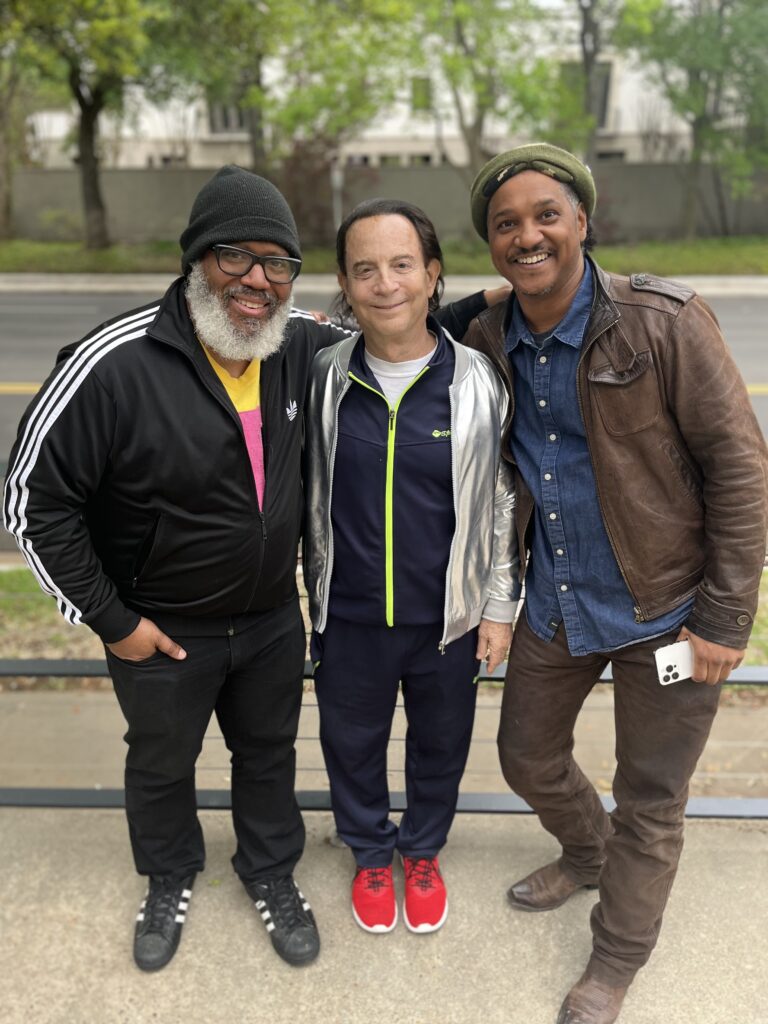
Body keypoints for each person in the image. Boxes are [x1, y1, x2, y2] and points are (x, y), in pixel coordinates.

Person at [2, 166, 500, 973]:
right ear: (195, 258)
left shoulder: (295, 342)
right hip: (161, 627)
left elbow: (396, 323)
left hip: (270, 619)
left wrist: (500, 302)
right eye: (235, 256)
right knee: (161, 763)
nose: (256, 281)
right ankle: (169, 875)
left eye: (277, 264)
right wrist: (112, 622)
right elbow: (33, 502)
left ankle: (270, 872)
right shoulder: (114, 362)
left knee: (268, 756)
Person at [464, 143, 768, 1023]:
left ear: (582, 222)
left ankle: (615, 959)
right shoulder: (489, 338)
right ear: (490, 243)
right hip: (556, 604)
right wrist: (486, 298)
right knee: (525, 755)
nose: (528, 235)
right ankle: (587, 851)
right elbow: (385, 318)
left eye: (546, 215)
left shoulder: (664, 320)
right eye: (506, 224)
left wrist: (722, 619)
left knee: (651, 798)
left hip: (669, 614)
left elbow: (743, 473)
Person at [303, 198, 519, 935]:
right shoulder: (323, 378)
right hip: (352, 617)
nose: (385, 283)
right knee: (350, 744)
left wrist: (498, 606)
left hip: (446, 621)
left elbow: (499, 498)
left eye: (402, 265)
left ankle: (421, 852)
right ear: (345, 282)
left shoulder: (477, 382)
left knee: (440, 748)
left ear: (432, 275)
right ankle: (369, 851)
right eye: (365, 269)